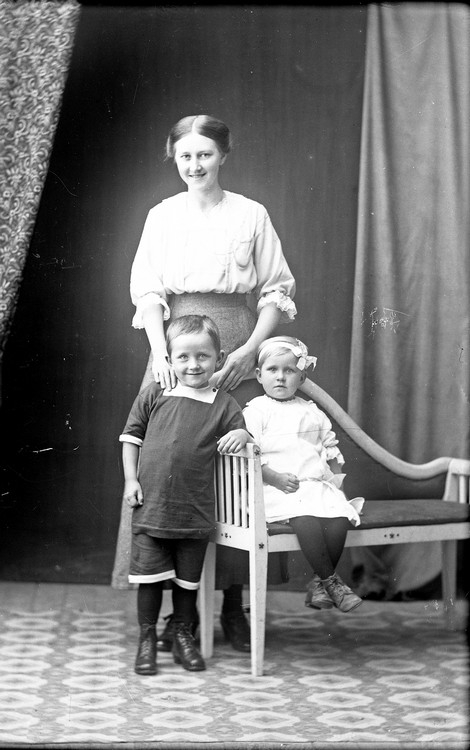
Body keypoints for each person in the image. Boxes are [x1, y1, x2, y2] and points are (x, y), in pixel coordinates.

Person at [112, 113, 315, 651]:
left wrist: (248, 351)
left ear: (223, 155)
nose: (195, 165)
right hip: (178, 345)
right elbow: (148, 292)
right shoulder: (162, 216)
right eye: (186, 156)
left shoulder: (251, 214)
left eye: (205, 154)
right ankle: (176, 613)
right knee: (172, 464)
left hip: (238, 342)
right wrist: (160, 353)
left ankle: (233, 605)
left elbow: (276, 289)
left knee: (238, 473)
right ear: (174, 159)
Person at [119, 314, 252, 675]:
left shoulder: (223, 403)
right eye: (183, 357)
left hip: (194, 509)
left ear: (218, 358)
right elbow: (131, 438)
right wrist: (131, 480)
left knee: (186, 581)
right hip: (153, 505)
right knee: (149, 579)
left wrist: (242, 434)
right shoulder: (155, 393)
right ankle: (147, 639)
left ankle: (182, 634)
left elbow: (242, 434)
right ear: (169, 359)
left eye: (202, 356)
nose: (193, 365)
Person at [243, 335, 365, 612]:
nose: (281, 377)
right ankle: (331, 582)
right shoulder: (257, 411)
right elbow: (250, 453)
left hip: (314, 486)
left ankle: (320, 583)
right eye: (273, 370)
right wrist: (273, 477)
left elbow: (330, 450)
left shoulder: (311, 411)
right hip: (274, 487)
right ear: (259, 375)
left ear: (302, 376)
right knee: (305, 517)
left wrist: (337, 487)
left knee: (339, 516)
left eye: (289, 370)